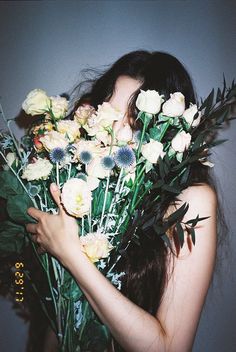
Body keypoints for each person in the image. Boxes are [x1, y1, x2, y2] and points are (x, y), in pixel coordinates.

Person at [26, 50, 218, 352]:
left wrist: (71, 255)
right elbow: (59, 327)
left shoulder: (191, 200)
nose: (113, 135)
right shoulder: (86, 193)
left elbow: (170, 348)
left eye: (134, 123)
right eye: (110, 114)